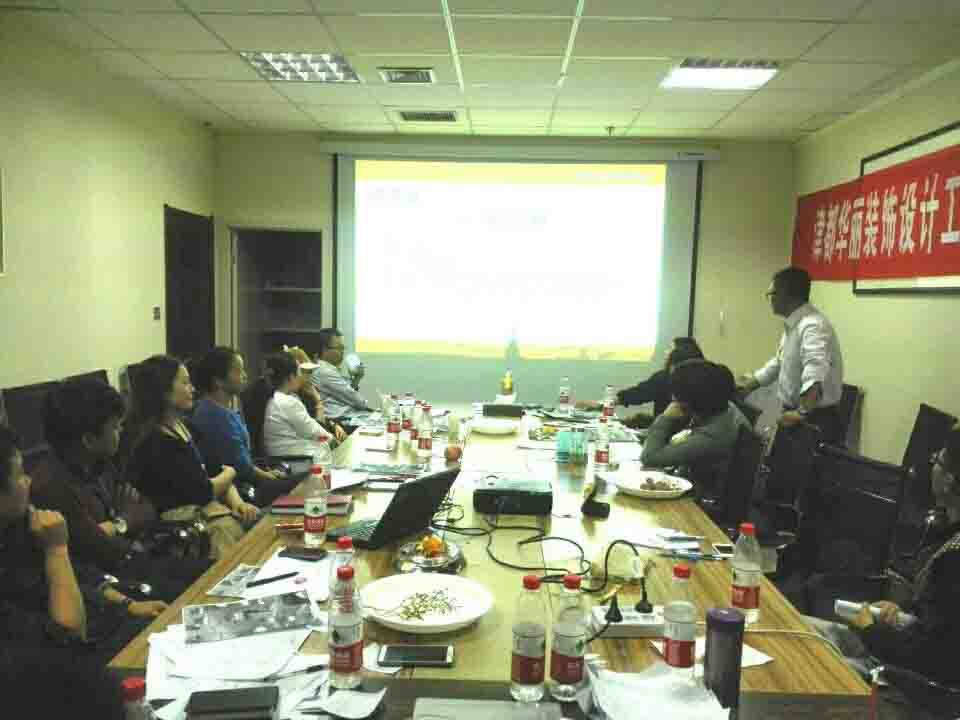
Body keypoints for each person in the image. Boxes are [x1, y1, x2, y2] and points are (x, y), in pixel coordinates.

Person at [803, 425, 960, 685]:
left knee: (807, 660)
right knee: (800, 630)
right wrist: (901, 611)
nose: (932, 465)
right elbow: (939, 623)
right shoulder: (949, 536)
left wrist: (871, 629)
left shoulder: (953, 560)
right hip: (902, 651)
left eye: (938, 460)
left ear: (950, 481)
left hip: (911, 683)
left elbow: (933, 656)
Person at [32, 378, 209, 600]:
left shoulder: (101, 462)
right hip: (108, 585)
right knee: (200, 589)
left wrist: (113, 527)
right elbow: (100, 548)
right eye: (115, 427)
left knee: (211, 571)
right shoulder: (52, 487)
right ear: (89, 439)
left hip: (134, 558)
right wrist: (123, 521)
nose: (122, 431)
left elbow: (146, 508)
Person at [0, 425, 165, 663]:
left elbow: (81, 573)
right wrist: (56, 550)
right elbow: (67, 638)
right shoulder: (50, 489)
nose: (28, 480)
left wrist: (128, 605)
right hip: (58, 662)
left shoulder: (19, 523)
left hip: (99, 616)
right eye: (19, 475)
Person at [126, 355, 258, 560]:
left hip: (214, 514)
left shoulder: (187, 427)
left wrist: (239, 503)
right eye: (185, 383)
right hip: (189, 532)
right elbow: (203, 491)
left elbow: (216, 469)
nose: (193, 389)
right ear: (164, 390)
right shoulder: (153, 442)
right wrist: (230, 474)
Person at [738, 266, 845, 444]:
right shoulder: (795, 323)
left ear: (786, 294)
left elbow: (815, 371)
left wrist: (802, 412)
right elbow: (780, 361)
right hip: (795, 413)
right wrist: (752, 383)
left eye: (771, 294)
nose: (770, 299)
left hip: (812, 418)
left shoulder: (813, 326)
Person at [190, 347, 293, 502]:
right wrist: (268, 476)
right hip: (240, 490)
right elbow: (240, 466)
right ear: (218, 381)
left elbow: (243, 459)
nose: (245, 376)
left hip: (246, 482)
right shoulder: (212, 414)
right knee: (305, 481)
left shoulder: (225, 409)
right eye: (238, 371)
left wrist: (266, 473)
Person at [641, 361, 749, 490]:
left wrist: (665, 418)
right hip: (695, 479)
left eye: (676, 394)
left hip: (700, 493)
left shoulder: (712, 436)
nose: (673, 397)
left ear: (690, 400)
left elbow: (649, 458)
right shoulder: (723, 407)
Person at [577, 337, 704, 426]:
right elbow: (639, 393)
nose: (665, 352)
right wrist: (603, 405)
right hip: (661, 429)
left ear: (680, 353)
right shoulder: (662, 376)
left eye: (670, 349)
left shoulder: (686, 381)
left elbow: (639, 393)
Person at [248, 353, 334, 461]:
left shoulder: (274, 398)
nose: (304, 377)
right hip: (299, 461)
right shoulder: (287, 402)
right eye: (300, 372)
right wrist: (334, 441)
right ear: (291, 377)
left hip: (289, 459)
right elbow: (315, 432)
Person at [284, 345, 347, 443]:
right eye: (306, 371)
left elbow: (320, 422)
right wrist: (318, 401)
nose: (310, 375)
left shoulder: (305, 392)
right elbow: (315, 430)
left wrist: (334, 426)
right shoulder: (291, 399)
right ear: (295, 373)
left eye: (311, 371)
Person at [310, 328, 371, 422]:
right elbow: (358, 401)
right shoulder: (324, 372)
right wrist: (364, 404)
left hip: (348, 416)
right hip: (341, 420)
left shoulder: (327, 369)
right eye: (339, 348)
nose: (342, 351)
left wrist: (356, 379)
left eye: (343, 348)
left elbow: (346, 395)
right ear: (325, 349)